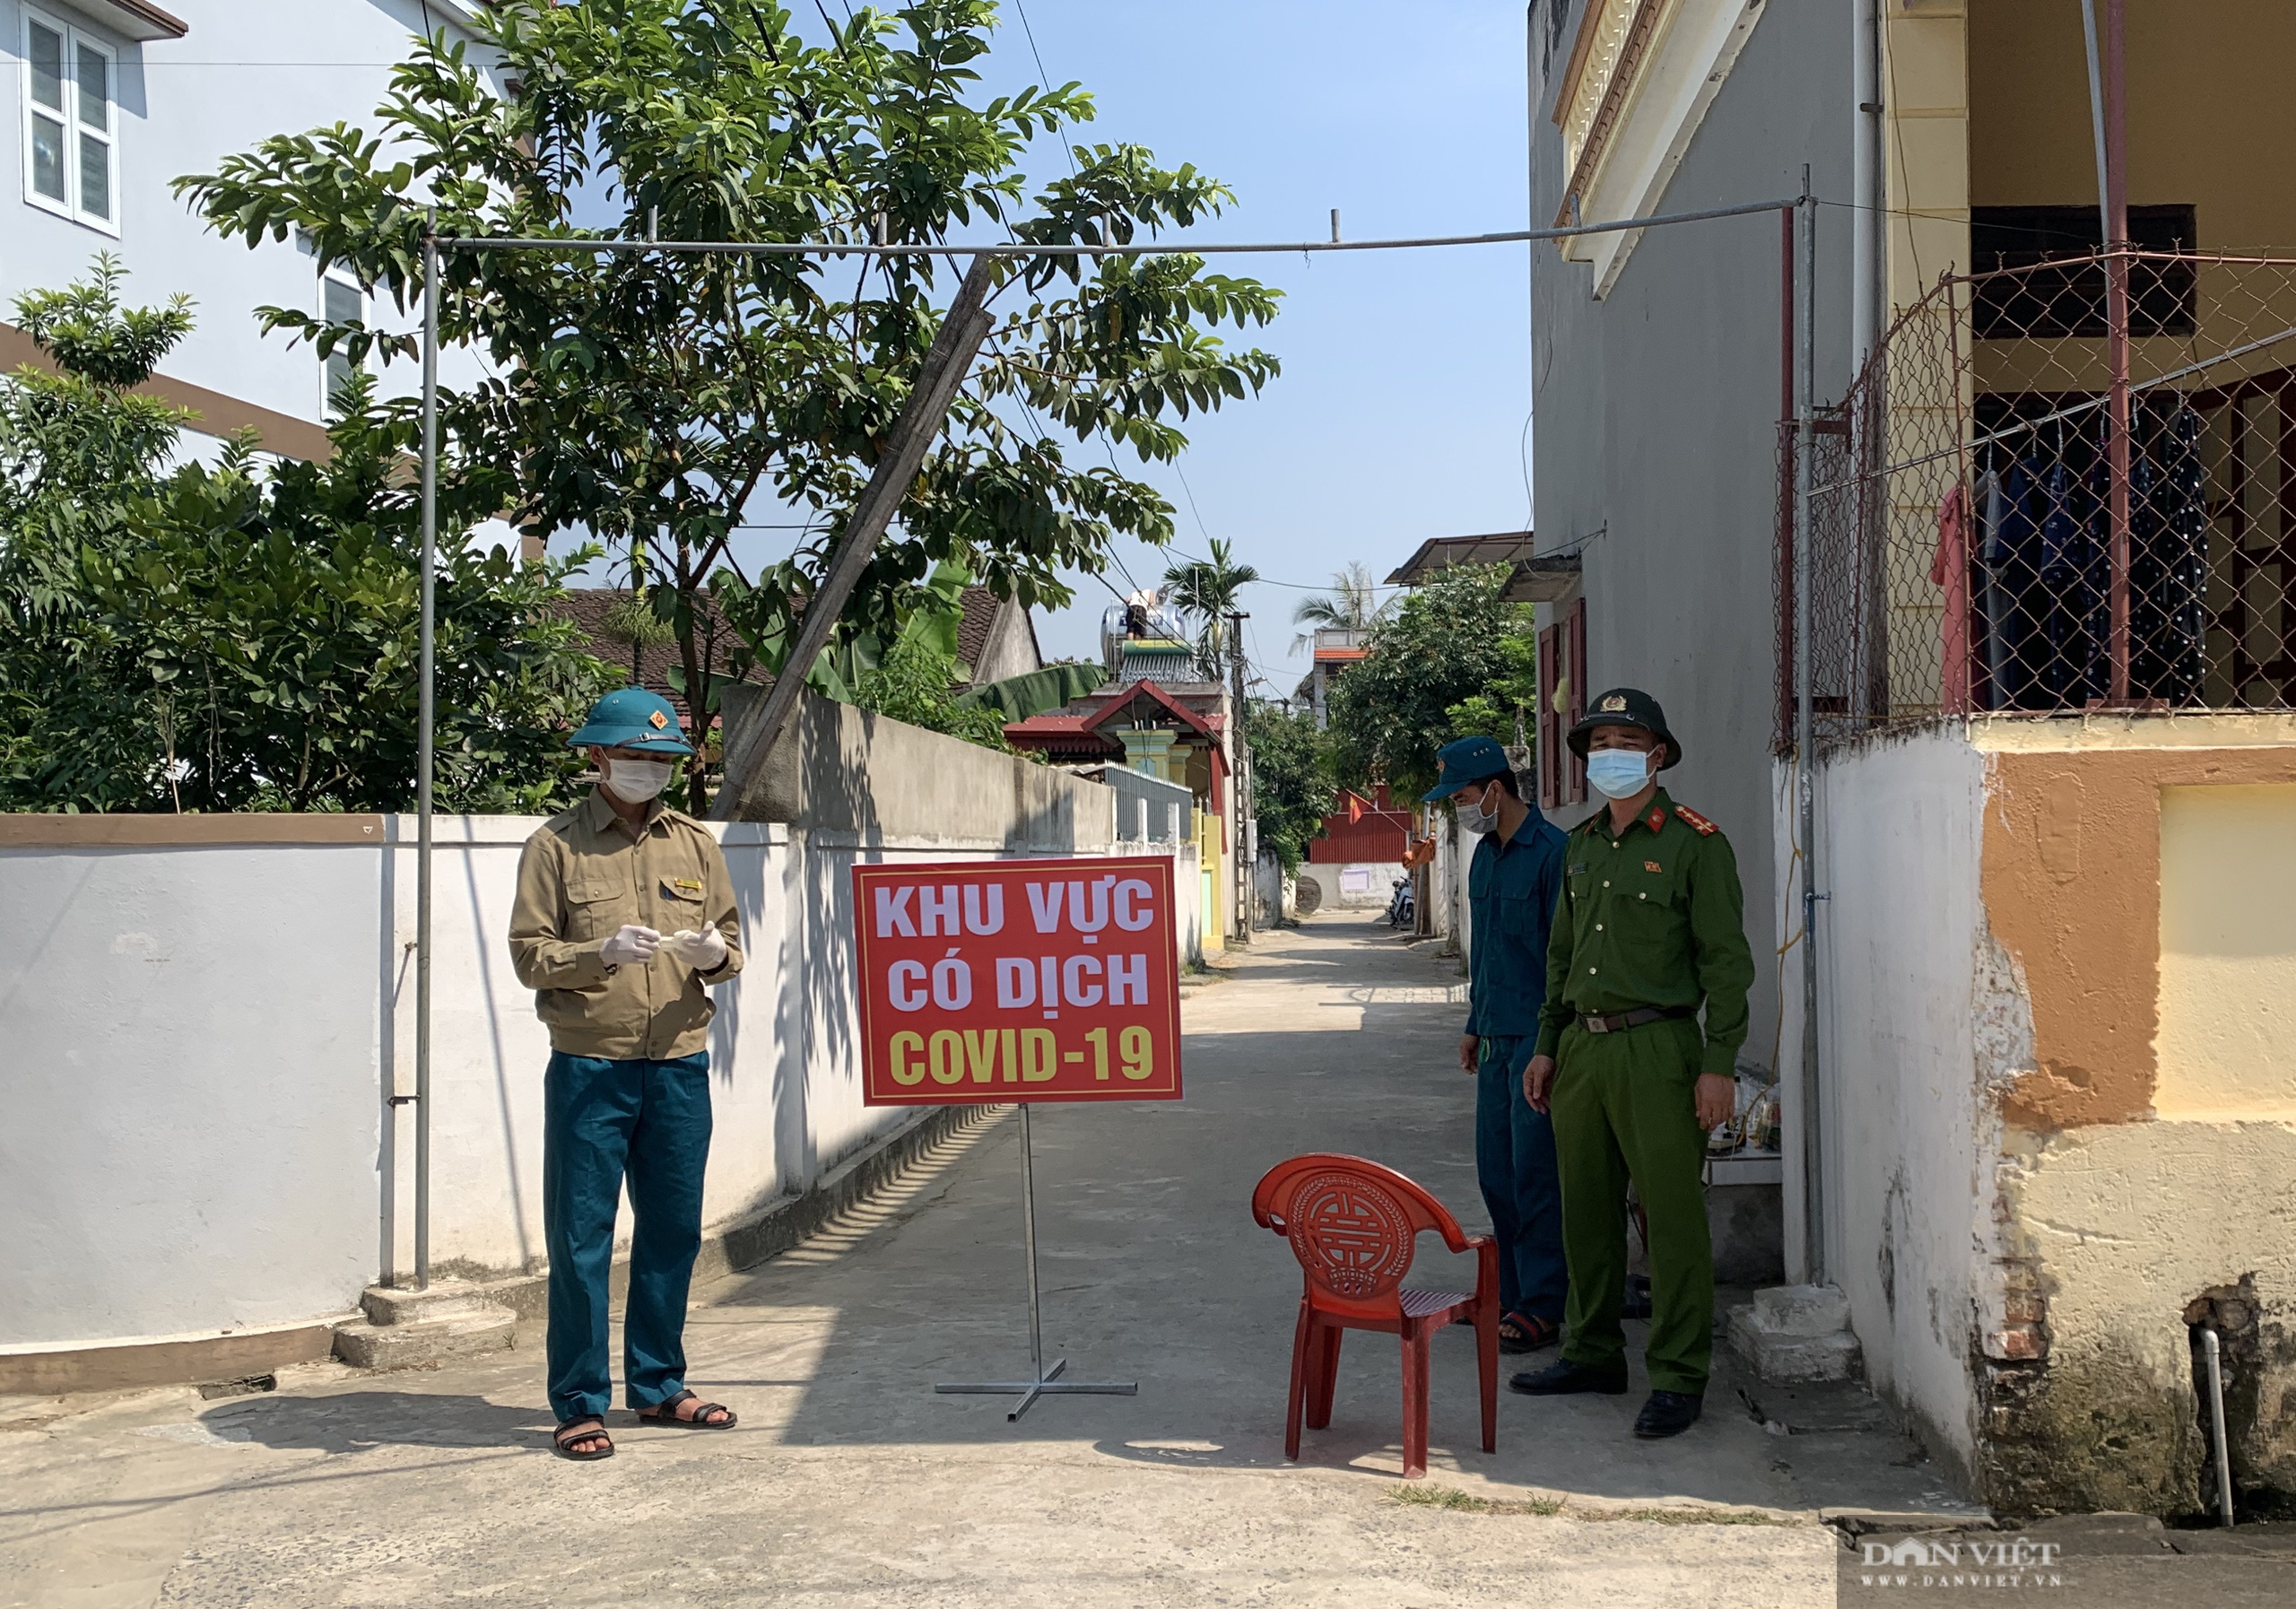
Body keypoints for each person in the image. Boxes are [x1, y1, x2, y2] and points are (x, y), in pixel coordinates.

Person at [509, 687, 746, 1461]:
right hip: (591, 1066)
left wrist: (716, 957)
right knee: (581, 1238)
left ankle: (658, 1385)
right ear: (597, 757)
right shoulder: (556, 845)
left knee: (673, 1231)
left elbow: (730, 944)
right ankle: (579, 1402)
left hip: (678, 1064)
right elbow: (528, 956)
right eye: (634, 755)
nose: (648, 768)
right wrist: (598, 953)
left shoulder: (696, 845)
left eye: (660, 757)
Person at [1509, 689, 1754, 1440]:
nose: (1608, 753)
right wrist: (1548, 1044)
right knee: (1584, 1211)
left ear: (1656, 754)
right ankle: (1592, 1351)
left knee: (1670, 1219)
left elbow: (1727, 965)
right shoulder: (1580, 845)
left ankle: (1678, 1375)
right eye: (1597, 741)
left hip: (1660, 1050)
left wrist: (1719, 1065)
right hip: (1583, 1048)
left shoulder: (1695, 844)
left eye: (1624, 739)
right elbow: (1561, 960)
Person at [1422, 736, 1570, 1355]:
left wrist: (1554, 1044)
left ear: (1495, 789)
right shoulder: (1484, 858)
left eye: (1461, 797)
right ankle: (1508, 1292)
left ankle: (1541, 1304)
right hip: (1496, 1039)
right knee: (1496, 1174)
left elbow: (1564, 959)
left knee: (1535, 1175)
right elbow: (1484, 953)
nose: (1460, 809)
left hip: (1538, 1039)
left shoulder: (1554, 854)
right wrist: (1474, 1023)